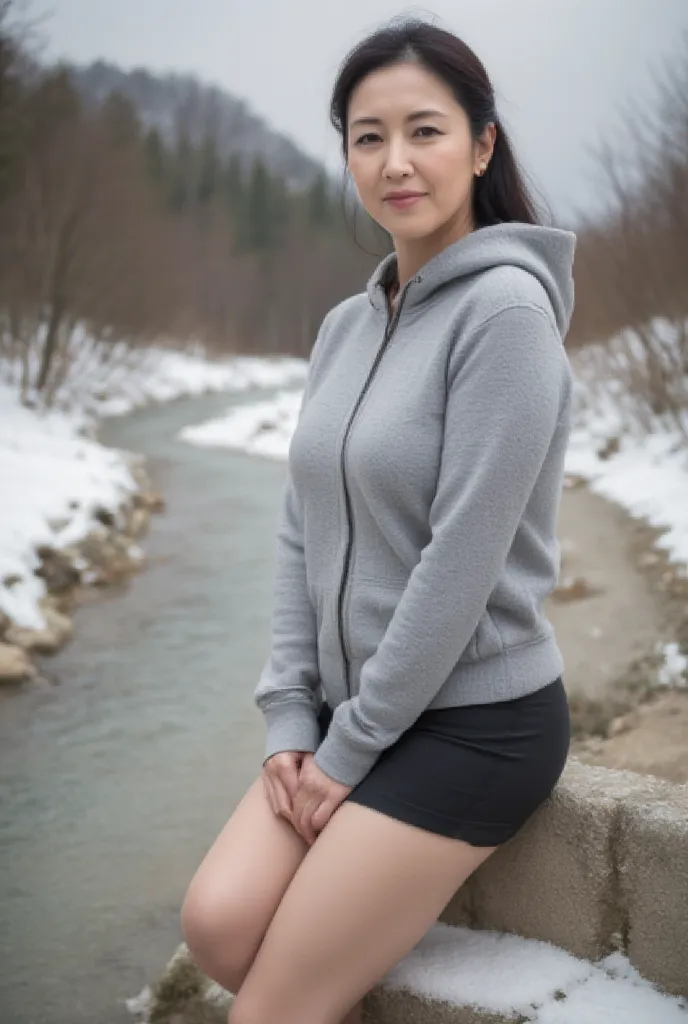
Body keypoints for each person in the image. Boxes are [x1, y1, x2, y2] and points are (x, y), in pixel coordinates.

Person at [181, 17, 575, 1024]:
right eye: (366, 136)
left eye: (424, 130)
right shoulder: (345, 327)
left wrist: (348, 749)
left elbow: (461, 563)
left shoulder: (507, 317)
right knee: (218, 924)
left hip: (475, 724)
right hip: (357, 713)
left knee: (264, 1010)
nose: (394, 162)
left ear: (482, 145)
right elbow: (299, 526)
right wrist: (289, 714)